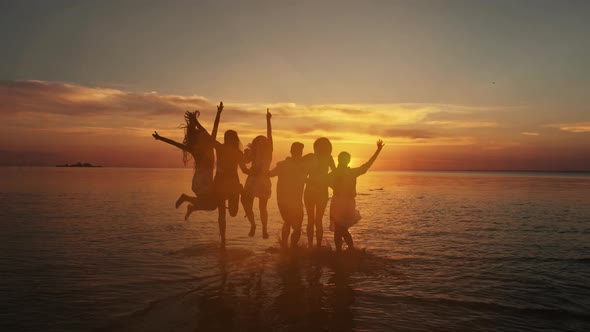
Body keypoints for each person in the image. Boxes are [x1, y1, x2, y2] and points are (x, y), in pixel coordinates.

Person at [152, 102, 223, 219]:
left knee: (212, 204)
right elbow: (215, 127)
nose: (205, 136)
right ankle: (188, 201)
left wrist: (160, 138)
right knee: (212, 205)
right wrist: (218, 112)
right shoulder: (210, 144)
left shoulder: (195, 149)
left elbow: (175, 143)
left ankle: (191, 205)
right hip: (205, 182)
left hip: (198, 182)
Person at [328, 139, 384, 252]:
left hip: (348, 203)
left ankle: (349, 250)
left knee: (341, 228)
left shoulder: (352, 172)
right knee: (339, 229)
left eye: (346, 159)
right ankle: (344, 251)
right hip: (337, 201)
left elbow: (367, 165)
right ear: (339, 160)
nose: (344, 161)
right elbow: (323, 182)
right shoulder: (334, 173)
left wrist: (378, 151)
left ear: (348, 161)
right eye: (343, 159)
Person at [213, 125, 250, 247]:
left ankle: (223, 240)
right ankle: (223, 240)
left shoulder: (222, 148)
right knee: (224, 213)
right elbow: (245, 170)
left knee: (229, 213)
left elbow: (244, 170)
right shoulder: (224, 149)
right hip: (226, 184)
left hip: (223, 183)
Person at [269, 142, 309, 249]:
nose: (298, 153)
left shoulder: (301, 165)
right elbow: (270, 174)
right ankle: (289, 248)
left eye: (300, 151)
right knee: (293, 225)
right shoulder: (284, 165)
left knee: (292, 225)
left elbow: (270, 174)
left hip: (292, 200)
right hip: (285, 200)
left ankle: (288, 247)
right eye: (297, 151)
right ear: (292, 152)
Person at [241, 109, 273, 239]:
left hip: (256, 180)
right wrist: (268, 120)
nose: (261, 143)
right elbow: (245, 161)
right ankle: (261, 228)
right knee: (260, 206)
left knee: (252, 204)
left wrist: (268, 120)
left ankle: (256, 226)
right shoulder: (264, 151)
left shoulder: (266, 150)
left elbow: (269, 135)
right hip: (260, 180)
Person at [304, 137, 336, 249]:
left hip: (321, 192)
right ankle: (311, 246)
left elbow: (335, 172)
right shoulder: (310, 157)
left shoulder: (328, 158)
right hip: (311, 192)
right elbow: (300, 171)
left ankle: (315, 246)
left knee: (317, 220)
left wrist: (327, 181)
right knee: (313, 220)